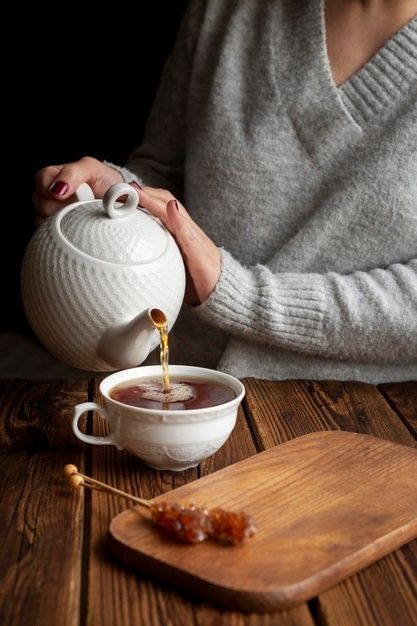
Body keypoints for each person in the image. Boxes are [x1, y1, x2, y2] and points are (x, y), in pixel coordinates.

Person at [33, 0, 417, 383]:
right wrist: (117, 194)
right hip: (173, 381)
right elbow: (165, 168)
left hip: (357, 414)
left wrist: (236, 292)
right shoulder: (225, 11)